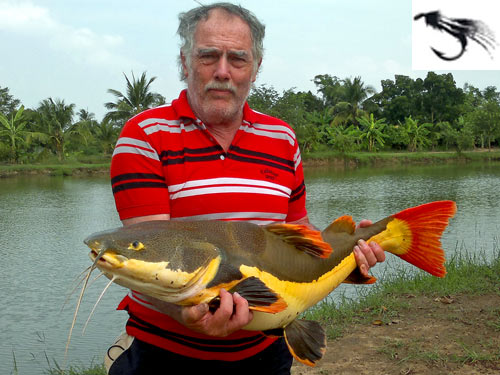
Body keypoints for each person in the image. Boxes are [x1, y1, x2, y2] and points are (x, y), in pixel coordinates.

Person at [107, 2, 385, 374]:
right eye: (209, 56)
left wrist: (350, 257)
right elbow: (145, 262)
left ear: (256, 68)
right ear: (185, 61)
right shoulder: (143, 137)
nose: (223, 72)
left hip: (267, 354)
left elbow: (298, 236)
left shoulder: (282, 138)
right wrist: (186, 314)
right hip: (166, 357)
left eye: (238, 59)